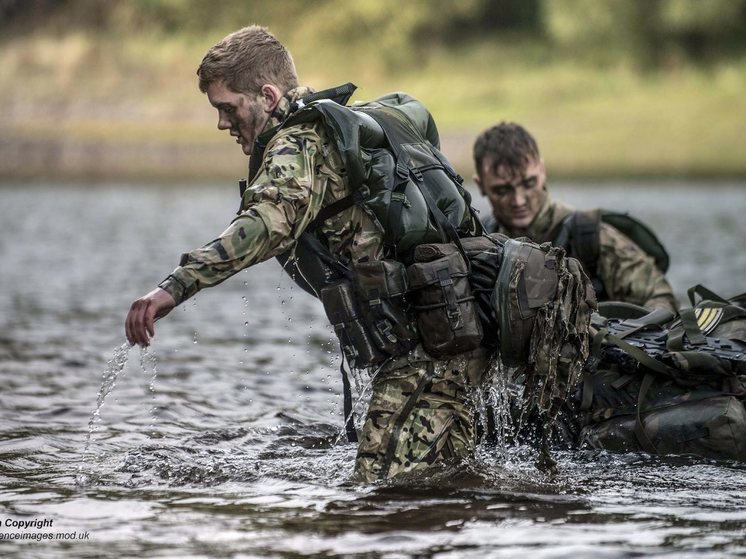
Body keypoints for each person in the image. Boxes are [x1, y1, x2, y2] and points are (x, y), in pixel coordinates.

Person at [124, 24, 497, 483]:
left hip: (427, 349)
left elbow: (265, 224)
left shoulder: (298, 144)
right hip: (453, 326)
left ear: (267, 95)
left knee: (374, 489)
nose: (222, 123)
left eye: (227, 108)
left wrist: (173, 288)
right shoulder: (333, 123)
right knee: (448, 484)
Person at [473, 122, 678, 313]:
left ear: (542, 171)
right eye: (502, 190)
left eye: (528, 184)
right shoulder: (480, 244)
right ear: (480, 185)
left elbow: (661, 300)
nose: (518, 201)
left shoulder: (590, 236)